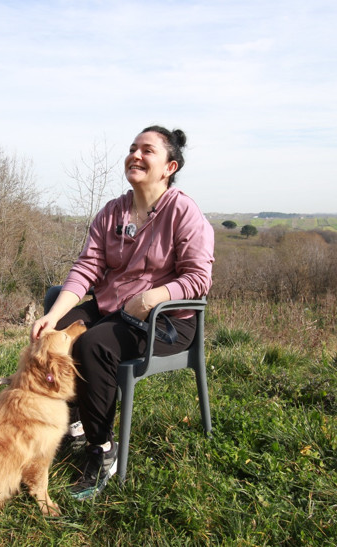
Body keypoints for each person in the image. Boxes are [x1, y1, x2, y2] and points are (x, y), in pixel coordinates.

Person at [30, 125, 215, 499]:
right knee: (56, 333)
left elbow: (198, 279)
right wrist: (55, 314)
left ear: (169, 166)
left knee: (93, 345)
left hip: (164, 323)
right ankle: (75, 419)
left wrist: (152, 297)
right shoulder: (113, 211)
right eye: (133, 148)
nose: (136, 155)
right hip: (111, 307)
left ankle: (103, 450)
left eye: (148, 150)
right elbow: (87, 268)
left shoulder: (183, 212)